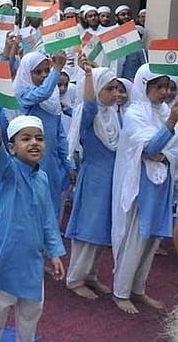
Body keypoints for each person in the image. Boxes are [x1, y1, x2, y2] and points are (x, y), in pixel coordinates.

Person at [0, 115, 66, 342]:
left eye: (38, 138)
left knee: (31, 310)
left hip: (32, 259)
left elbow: (48, 218)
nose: (34, 143)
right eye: (25, 139)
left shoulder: (43, 179)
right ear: (13, 146)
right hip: (7, 256)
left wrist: (55, 252)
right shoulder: (10, 172)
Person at [111, 64, 178, 314]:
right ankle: (121, 291)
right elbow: (150, 148)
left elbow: (170, 149)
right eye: (159, 87)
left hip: (163, 183)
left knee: (152, 239)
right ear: (143, 86)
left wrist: (166, 153)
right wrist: (170, 124)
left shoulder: (163, 112)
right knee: (136, 238)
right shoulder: (134, 114)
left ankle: (138, 289)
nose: (164, 92)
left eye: (168, 87)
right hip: (141, 185)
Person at [64, 60, 121, 299]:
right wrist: (89, 75)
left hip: (111, 180)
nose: (116, 94)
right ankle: (75, 278)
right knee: (88, 227)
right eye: (109, 89)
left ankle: (91, 274)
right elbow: (88, 104)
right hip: (95, 178)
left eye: (117, 88)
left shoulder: (112, 116)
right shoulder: (91, 115)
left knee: (103, 228)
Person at [13, 51, 76, 220]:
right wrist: (57, 69)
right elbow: (43, 93)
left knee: (50, 210)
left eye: (46, 71)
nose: (44, 75)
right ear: (27, 73)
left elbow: (60, 137)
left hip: (51, 165)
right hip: (30, 163)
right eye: (38, 72)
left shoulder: (53, 101)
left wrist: (69, 166)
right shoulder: (24, 95)